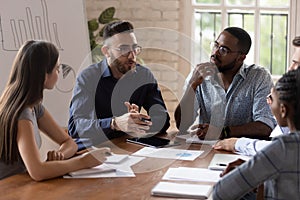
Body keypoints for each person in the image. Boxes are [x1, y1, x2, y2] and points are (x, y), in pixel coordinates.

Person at [0, 40, 111, 181]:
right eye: (57, 69)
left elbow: (69, 142)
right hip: (9, 189)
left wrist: (61, 155)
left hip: (22, 184)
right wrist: (84, 162)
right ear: (44, 74)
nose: (59, 73)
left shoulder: (34, 106)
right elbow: (38, 172)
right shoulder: (22, 113)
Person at [68, 20, 170, 150]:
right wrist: (114, 124)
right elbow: (75, 127)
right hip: (97, 152)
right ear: (106, 51)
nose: (132, 56)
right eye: (124, 49)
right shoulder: (88, 77)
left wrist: (138, 121)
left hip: (130, 149)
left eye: (134, 48)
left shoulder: (144, 76)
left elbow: (163, 119)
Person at [213, 67, 300, 200]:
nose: (268, 102)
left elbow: (221, 192)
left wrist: (256, 174)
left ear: (283, 110)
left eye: (271, 98)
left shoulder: (283, 147)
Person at [175, 27, 276, 140]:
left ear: (240, 58)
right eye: (216, 45)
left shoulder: (258, 77)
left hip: (241, 151)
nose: (215, 53)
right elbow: (181, 125)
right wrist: (192, 86)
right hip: (206, 151)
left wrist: (223, 132)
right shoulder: (199, 76)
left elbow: (265, 126)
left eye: (223, 50)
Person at [213, 36, 300, 156]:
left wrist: (237, 143)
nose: (291, 69)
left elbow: (284, 149)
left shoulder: (258, 76)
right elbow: (283, 141)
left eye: (297, 64)